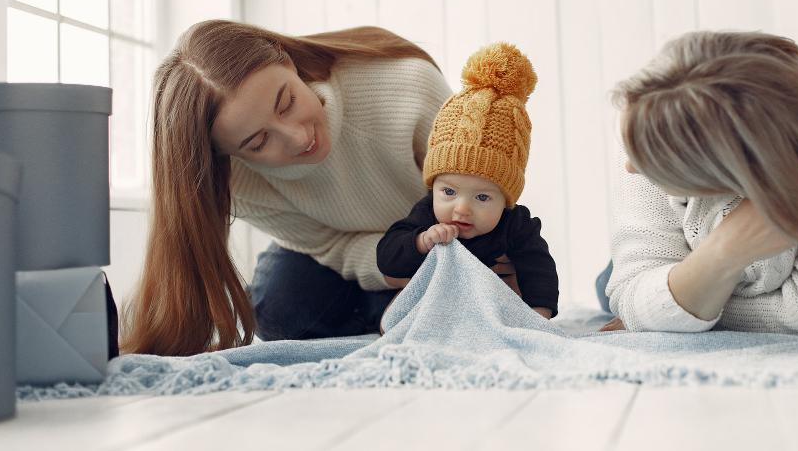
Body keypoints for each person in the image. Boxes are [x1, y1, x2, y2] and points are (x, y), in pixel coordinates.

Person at [121, 20, 472, 356]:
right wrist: (394, 268)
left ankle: (376, 313)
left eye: (286, 103)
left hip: (439, 237)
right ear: (225, 153)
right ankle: (377, 311)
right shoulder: (234, 181)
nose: (299, 138)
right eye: (258, 143)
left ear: (286, 59)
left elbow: (477, 195)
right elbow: (328, 244)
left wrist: (422, 257)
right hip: (343, 249)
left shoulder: (408, 86)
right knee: (276, 306)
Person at [598, 31, 798, 340]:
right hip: (678, 244)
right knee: (605, 292)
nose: (631, 168)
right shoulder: (649, 110)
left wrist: (676, 304)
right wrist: (726, 248)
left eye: (659, 164)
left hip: (701, 271)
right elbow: (630, 292)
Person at [376, 42, 559, 320]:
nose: (462, 209)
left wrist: (539, 314)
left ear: (506, 199)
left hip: (491, 309)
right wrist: (422, 242)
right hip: (437, 308)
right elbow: (387, 256)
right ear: (433, 186)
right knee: (393, 317)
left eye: (482, 197)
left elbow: (540, 269)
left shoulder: (516, 225)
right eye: (448, 191)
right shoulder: (426, 216)